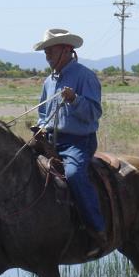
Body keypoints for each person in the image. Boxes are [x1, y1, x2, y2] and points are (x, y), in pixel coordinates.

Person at [33, 28, 106, 252]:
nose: (47, 56)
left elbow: (94, 113)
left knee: (74, 175)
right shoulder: (49, 81)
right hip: (51, 140)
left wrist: (75, 100)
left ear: (67, 50)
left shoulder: (85, 76)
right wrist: (40, 128)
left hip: (78, 142)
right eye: (45, 51)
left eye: (50, 51)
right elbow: (44, 113)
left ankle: (97, 231)